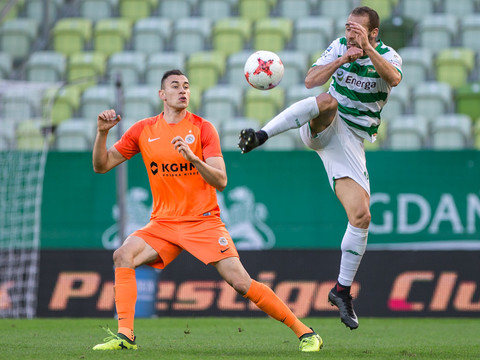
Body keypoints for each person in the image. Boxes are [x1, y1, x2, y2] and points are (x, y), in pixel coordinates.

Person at [91, 69, 322, 352]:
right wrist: (102, 134)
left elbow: (221, 180)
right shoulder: (144, 130)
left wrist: (192, 158)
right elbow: (101, 166)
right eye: (175, 86)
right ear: (162, 95)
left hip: (203, 222)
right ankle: (125, 336)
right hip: (163, 223)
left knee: (241, 283)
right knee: (123, 255)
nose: (182, 90)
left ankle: (306, 333)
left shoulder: (202, 128)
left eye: (186, 86)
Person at [238, 7, 402, 330]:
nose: (349, 34)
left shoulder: (388, 55)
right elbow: (311, 80)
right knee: (328, 100)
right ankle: (261, 135)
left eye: (356, 29)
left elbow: (393, 79)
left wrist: (365, 51)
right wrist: (343, 58)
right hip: (324, 123)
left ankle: (341, 290)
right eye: (347, 28)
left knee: (361, 215)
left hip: (350, 141)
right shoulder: (339, 46)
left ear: (373, 33)